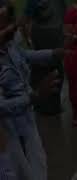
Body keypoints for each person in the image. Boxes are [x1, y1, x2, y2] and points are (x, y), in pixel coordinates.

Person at [0, 1, 65, 180]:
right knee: (19, 171)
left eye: (11, 22)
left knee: (38, 165)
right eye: (4, 24)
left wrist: (54, 53)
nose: (13, 28)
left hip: (27, 119)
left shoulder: (10, 45)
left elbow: (26, 56)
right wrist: (34, 96)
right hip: (8, 129)